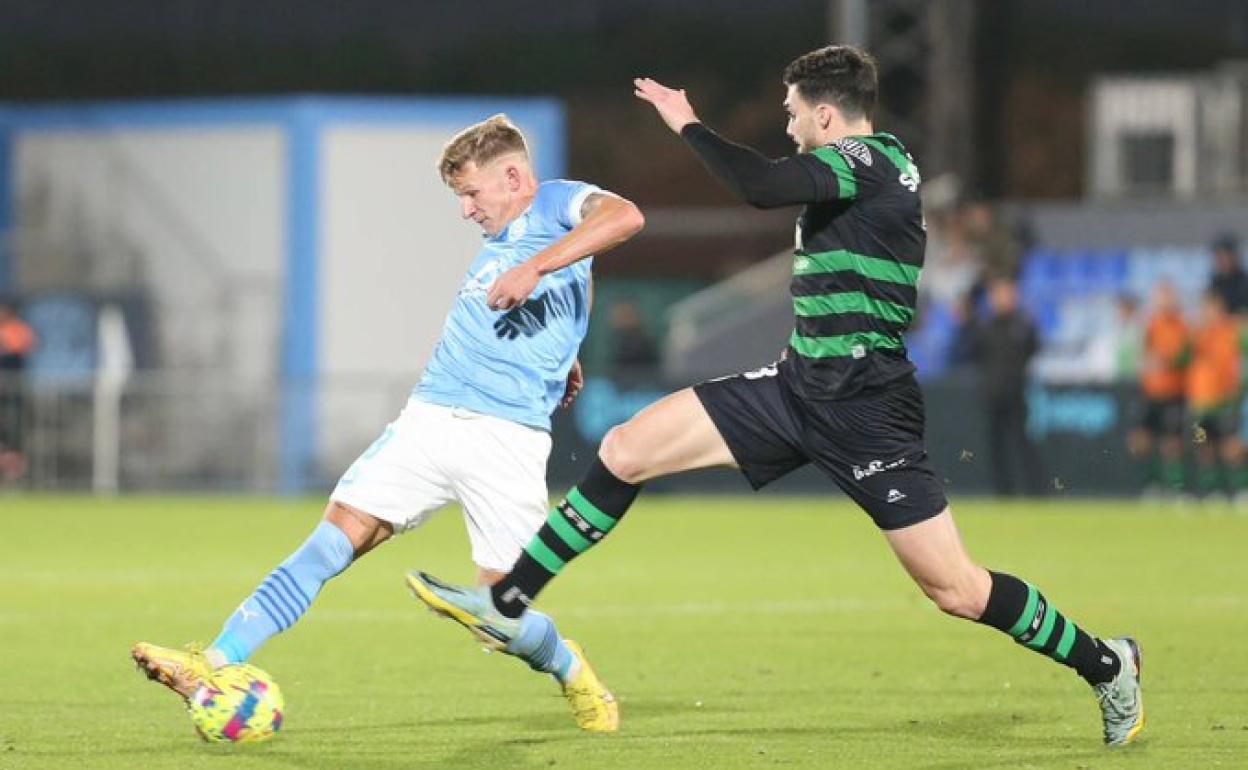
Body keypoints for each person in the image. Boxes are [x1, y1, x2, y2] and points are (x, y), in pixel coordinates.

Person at [409, 46, 1144, 747]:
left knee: (957, 590)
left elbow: (758, 185)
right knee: (626, 449)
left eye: (792, 113)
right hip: (797, 389)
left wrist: (687, 123)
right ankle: (508, 601)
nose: (788, 127)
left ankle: (1107, 664)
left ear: (826, 114)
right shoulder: (852, 170)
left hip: (867, 410)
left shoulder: (871, 160)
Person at [131, 114, 645, 732]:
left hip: (505, 438)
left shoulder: (558, 202)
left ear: (513, 177)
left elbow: (625, 218)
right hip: (428, 418)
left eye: (471, 193)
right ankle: (212, 662)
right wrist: (567, 346)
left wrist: (536, 274)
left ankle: (571, 669)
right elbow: (571, 283)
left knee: (500, 614)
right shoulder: (502, 246)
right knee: (330, 542)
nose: (465, 210)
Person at [964, 276, 1045, 497]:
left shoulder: (1023, 325)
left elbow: (1034, 349)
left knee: (1023, 442)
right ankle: (1004, 491)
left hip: (1017, 393)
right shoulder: (985, 326)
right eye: (997, 295)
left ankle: (1036, 490)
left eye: (1006, 294)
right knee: (996, 445)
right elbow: (971, 352)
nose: (1001, 299)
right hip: (992, 394)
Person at [1127, 282, 1190, 497]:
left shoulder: (1183, 327)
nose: (1164, 303)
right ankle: (1152, 485)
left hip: (1174, 392)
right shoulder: (1151, 325)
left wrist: (1170, 361)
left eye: (1168, 298)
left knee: (1173, 444)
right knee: (1140, 442)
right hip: (1150, 391)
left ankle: (1177, 489)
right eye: (1160, 298)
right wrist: (1149, 362)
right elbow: (1142, 355)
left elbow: (1187, 357)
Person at [1186, 290, 1246, 502]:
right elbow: (1184, 360)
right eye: (1207, 308)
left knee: (1232, 447)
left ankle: (1241, 490)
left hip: (1226, 401)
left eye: (1215, 308)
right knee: (1204, 447)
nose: (1211, 313)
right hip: (1200, 403)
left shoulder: (1233, 332)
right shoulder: (1196, 334)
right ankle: (1213, 491)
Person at [0, 302, 37, 483]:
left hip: (14, 392)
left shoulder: (19, 330)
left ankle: (15, 470)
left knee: (14, 429)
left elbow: (23, 347)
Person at [1207, 234, 1248, 318]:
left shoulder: (1244, 283)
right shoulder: (1215, 282)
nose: (1222, 260)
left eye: (1226, 255)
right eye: (1219, 256)